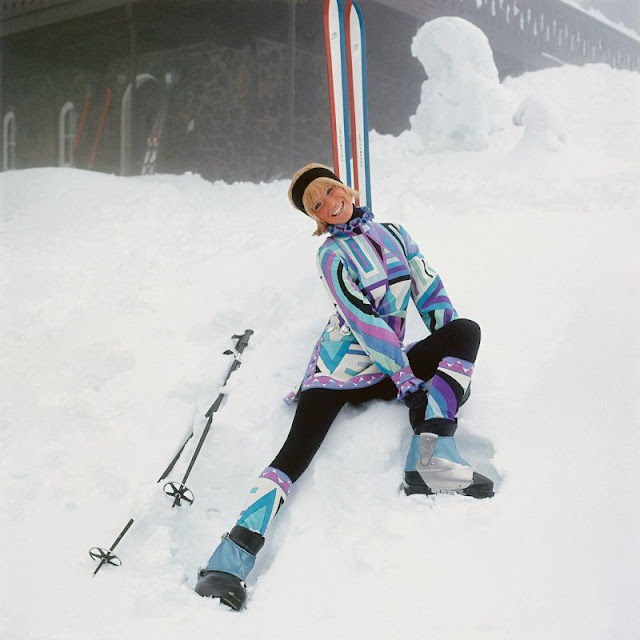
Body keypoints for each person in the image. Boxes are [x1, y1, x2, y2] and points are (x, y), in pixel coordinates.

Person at [194, 163, 493, 610]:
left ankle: (431, 461)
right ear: (316, 218)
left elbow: (431, 293)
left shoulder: (395, 234)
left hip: (386, 369)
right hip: (336, 374)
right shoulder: (330, 256)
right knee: (293, 456)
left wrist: (445, 364)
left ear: (346, 190)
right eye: (318, 205)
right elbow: (364, 322)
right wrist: (408, 381)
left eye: (332, 192)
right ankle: (226, 565)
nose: (331, 205)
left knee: (464, 331)